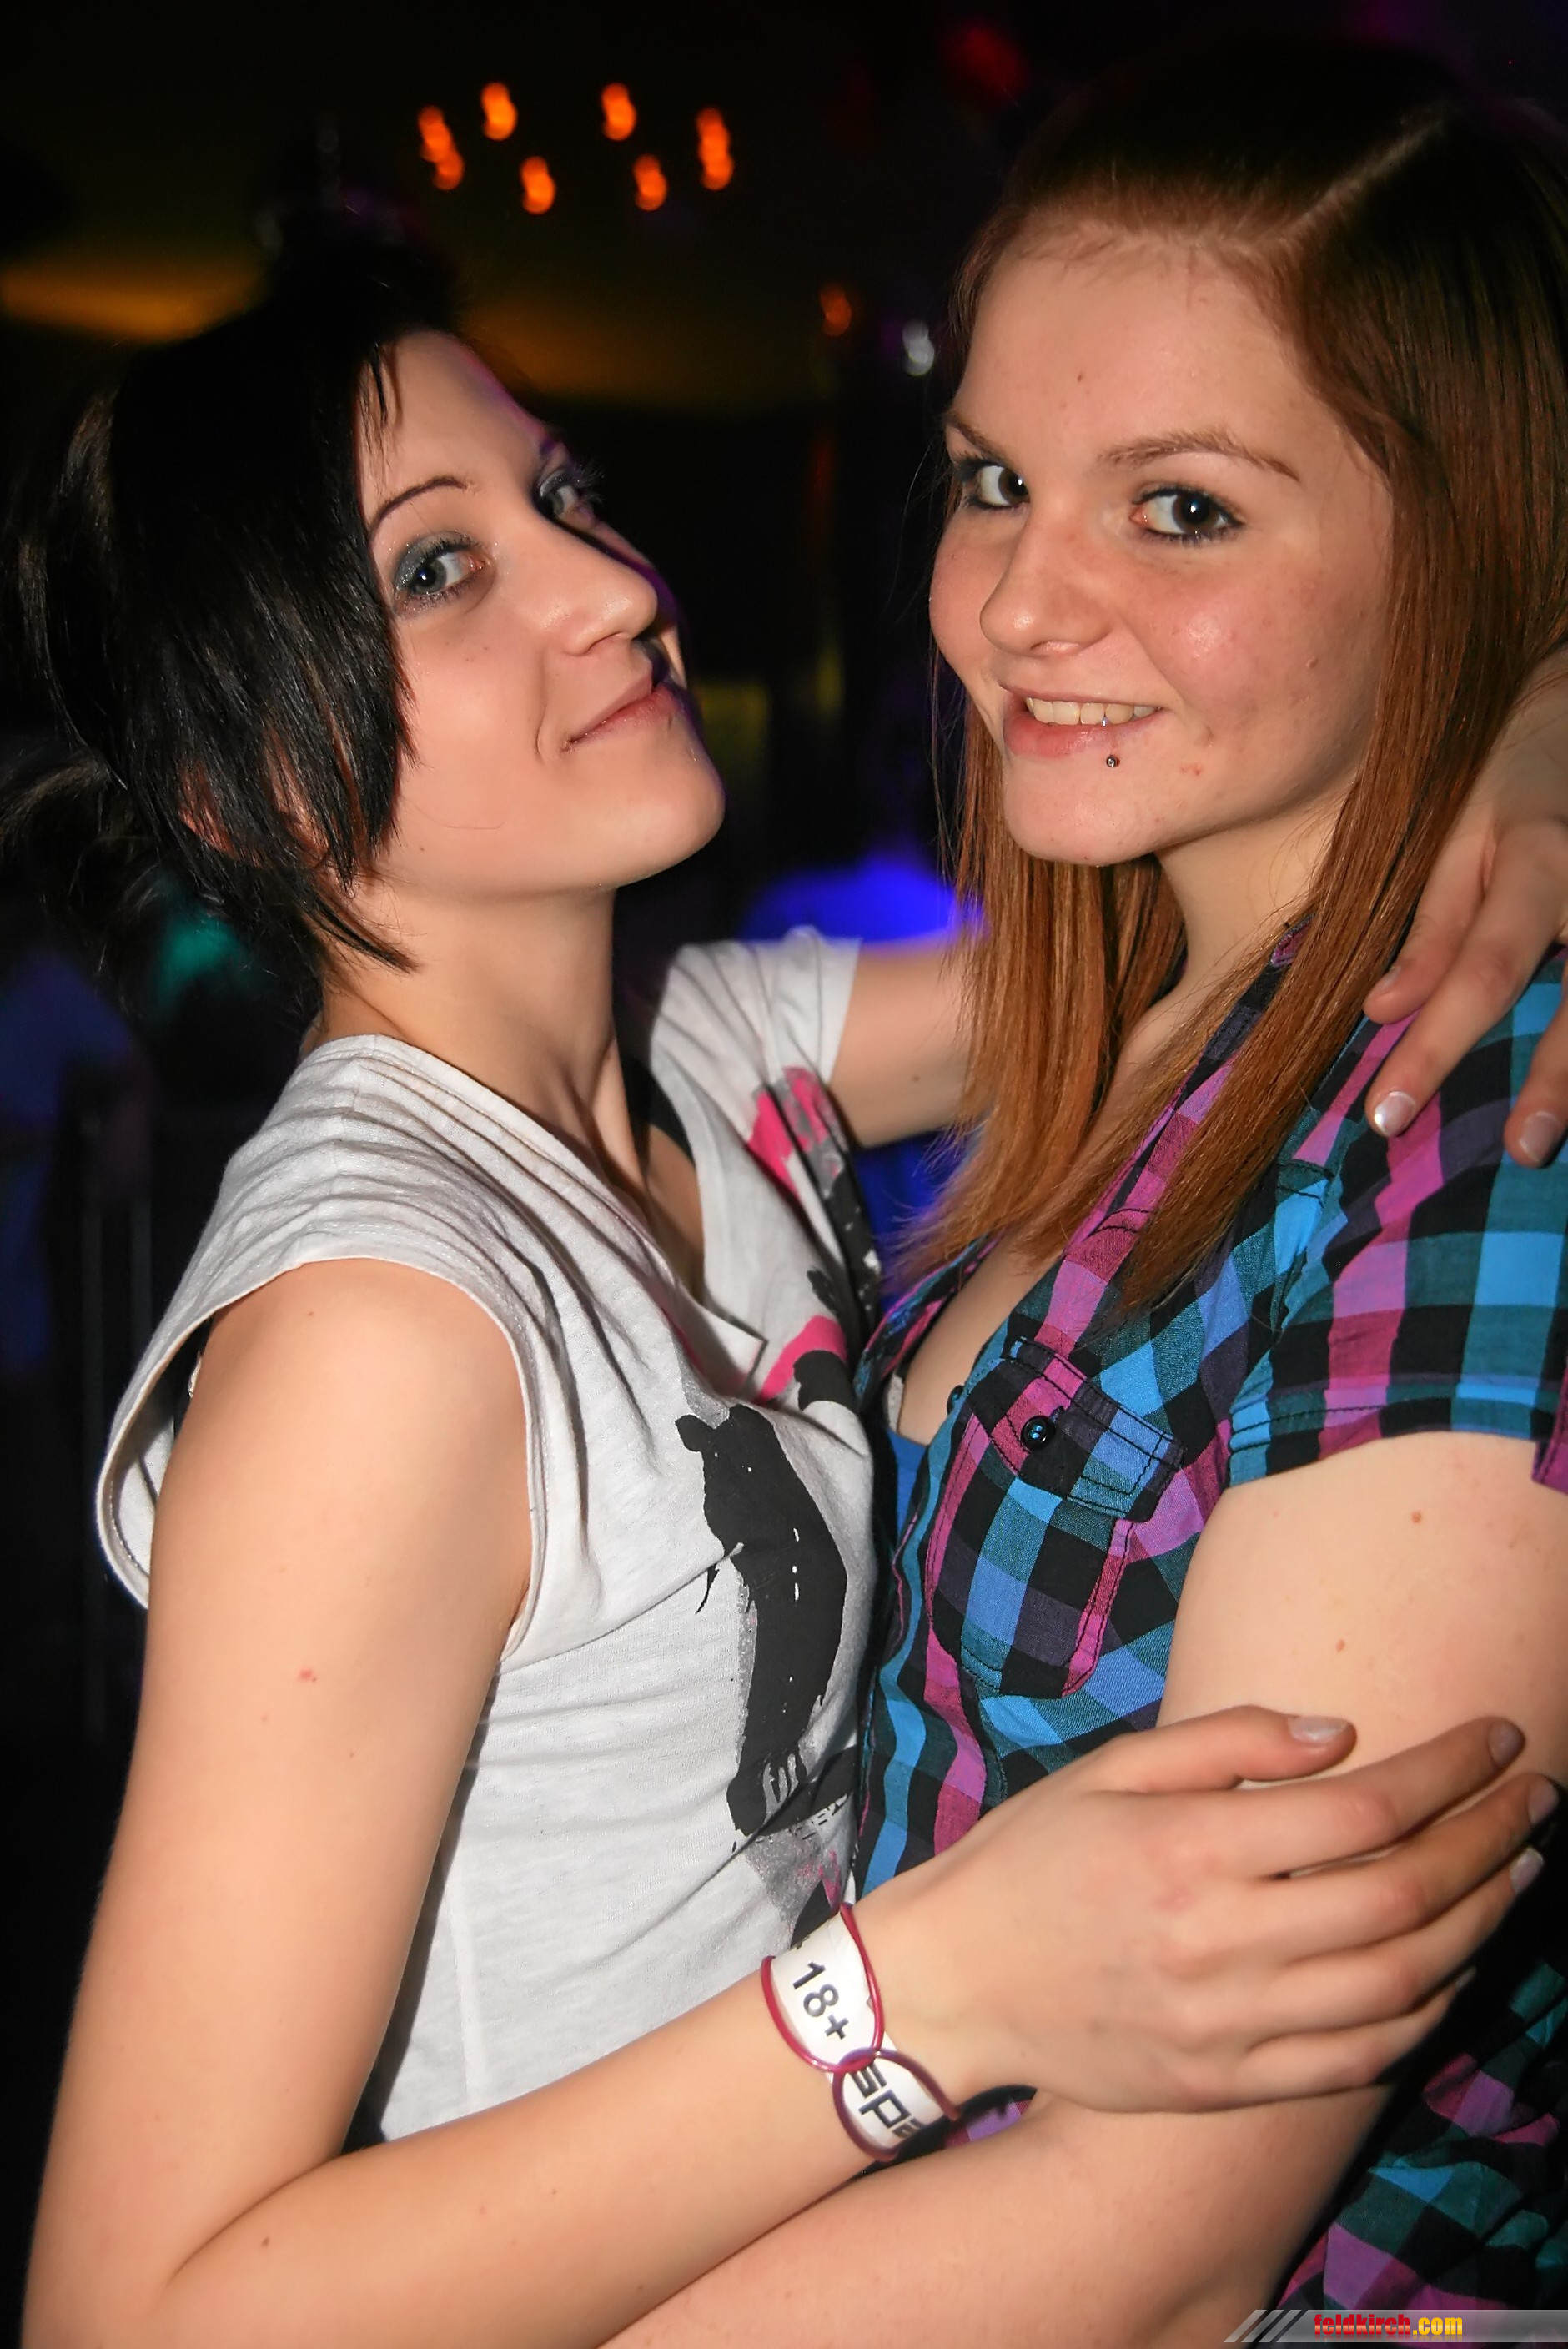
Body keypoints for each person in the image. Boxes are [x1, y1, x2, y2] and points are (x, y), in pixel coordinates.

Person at [8, 224, 1563, 2346]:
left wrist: (1531, 722)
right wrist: (921, 1991)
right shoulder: (381, 1324)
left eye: (561, 493)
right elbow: (136, 2310)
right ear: (250, 785)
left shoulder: (715, 1054)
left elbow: (1235, 947)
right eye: (438, 569)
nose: (611, 583)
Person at [610, 35, 1568, 2341]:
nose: (1021, 604)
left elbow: (1163, 2237)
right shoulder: (1127, 1001)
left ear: (1460, 540)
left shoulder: (1485, 1121)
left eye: (1183, 510)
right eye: (995, 481)